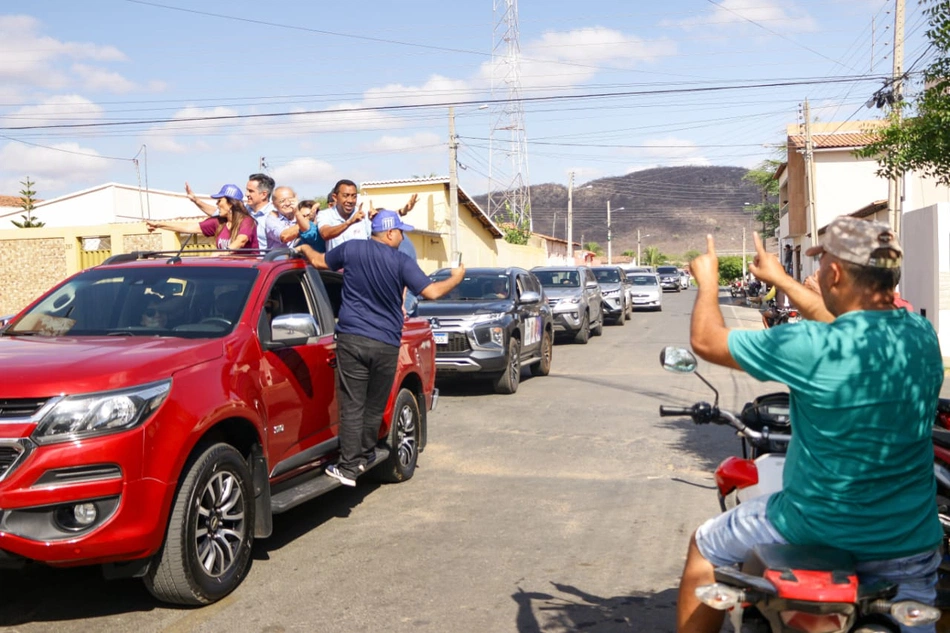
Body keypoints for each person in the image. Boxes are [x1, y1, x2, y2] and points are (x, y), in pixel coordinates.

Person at [678, 216, 943, 633]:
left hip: (814, 528)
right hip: (908, 543)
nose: (817, 274)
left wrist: (708, 281)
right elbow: (844, 322)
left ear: (835, 274)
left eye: (821, 265)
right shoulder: (919, 335)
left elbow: (707, 341)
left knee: (705, 545)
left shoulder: (809, 345)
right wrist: (780, 280)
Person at [296, 210, 465, 487]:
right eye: (400, 232)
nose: (403, 237)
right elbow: (432, 292)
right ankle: (364, 456)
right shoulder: (401, 262)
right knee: (375, 404)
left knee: (353, 404)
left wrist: (304, 247)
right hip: (386, 343)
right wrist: (457, 277)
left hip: (353, 339)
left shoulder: (351, 249)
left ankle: (348, 467)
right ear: (389, 233)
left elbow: (318, 261)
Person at [147, 184, 259, 251]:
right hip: (226, 271)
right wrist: (159, 224)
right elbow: (189, 227)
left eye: (219, 200)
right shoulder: (219, 222)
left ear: (230, 204)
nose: (217, 204)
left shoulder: (247, 221)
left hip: (247, 274)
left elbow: (241, 240)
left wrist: (223, 253)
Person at [317, 179, 420, 251]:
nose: (350, 200)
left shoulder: (363, 215)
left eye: (354, 196)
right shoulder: (325, 215)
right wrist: (350, 222)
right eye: (346, 196)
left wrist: (403, 211)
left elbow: (384, 220)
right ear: (335, 197)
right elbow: (325, 234)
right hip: (336, 272)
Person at [264, 186, 298, 250]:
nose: (287, 203)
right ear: (274, 204)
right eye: (282, 201)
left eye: (290, 199)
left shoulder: (302, 215)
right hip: (279, 255)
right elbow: (285, 236)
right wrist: (305, 223)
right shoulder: (272, 219)